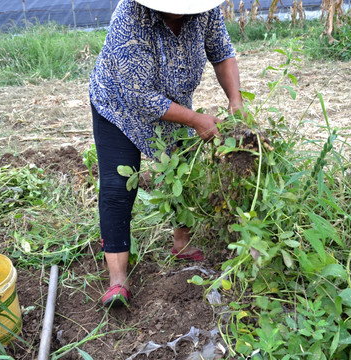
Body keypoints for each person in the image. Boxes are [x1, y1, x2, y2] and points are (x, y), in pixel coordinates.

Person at [89, 0, 244, 307]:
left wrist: (236, 101)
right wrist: (196, 119)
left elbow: (222, 53)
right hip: (119, 106)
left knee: (182, 172)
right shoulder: (130, 15)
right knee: (118, 187)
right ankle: (118, 280)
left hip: (174, 105)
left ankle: (182, 244)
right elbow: (139, 96)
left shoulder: (206, 12)